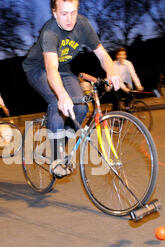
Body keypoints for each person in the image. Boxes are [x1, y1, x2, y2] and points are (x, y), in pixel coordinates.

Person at [22, 0, 122, 177]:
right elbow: (51, 69)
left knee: (81, 108)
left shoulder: (83, 25)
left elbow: (102, 53)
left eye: (73, 12)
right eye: (63, 14)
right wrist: (61, 94)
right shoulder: (50, 32)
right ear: (54, 13)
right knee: (57, 101)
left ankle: (60, 144)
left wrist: (112, 71)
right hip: (38, 70)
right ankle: (56, 158)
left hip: (64, 70)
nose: (69, 19)